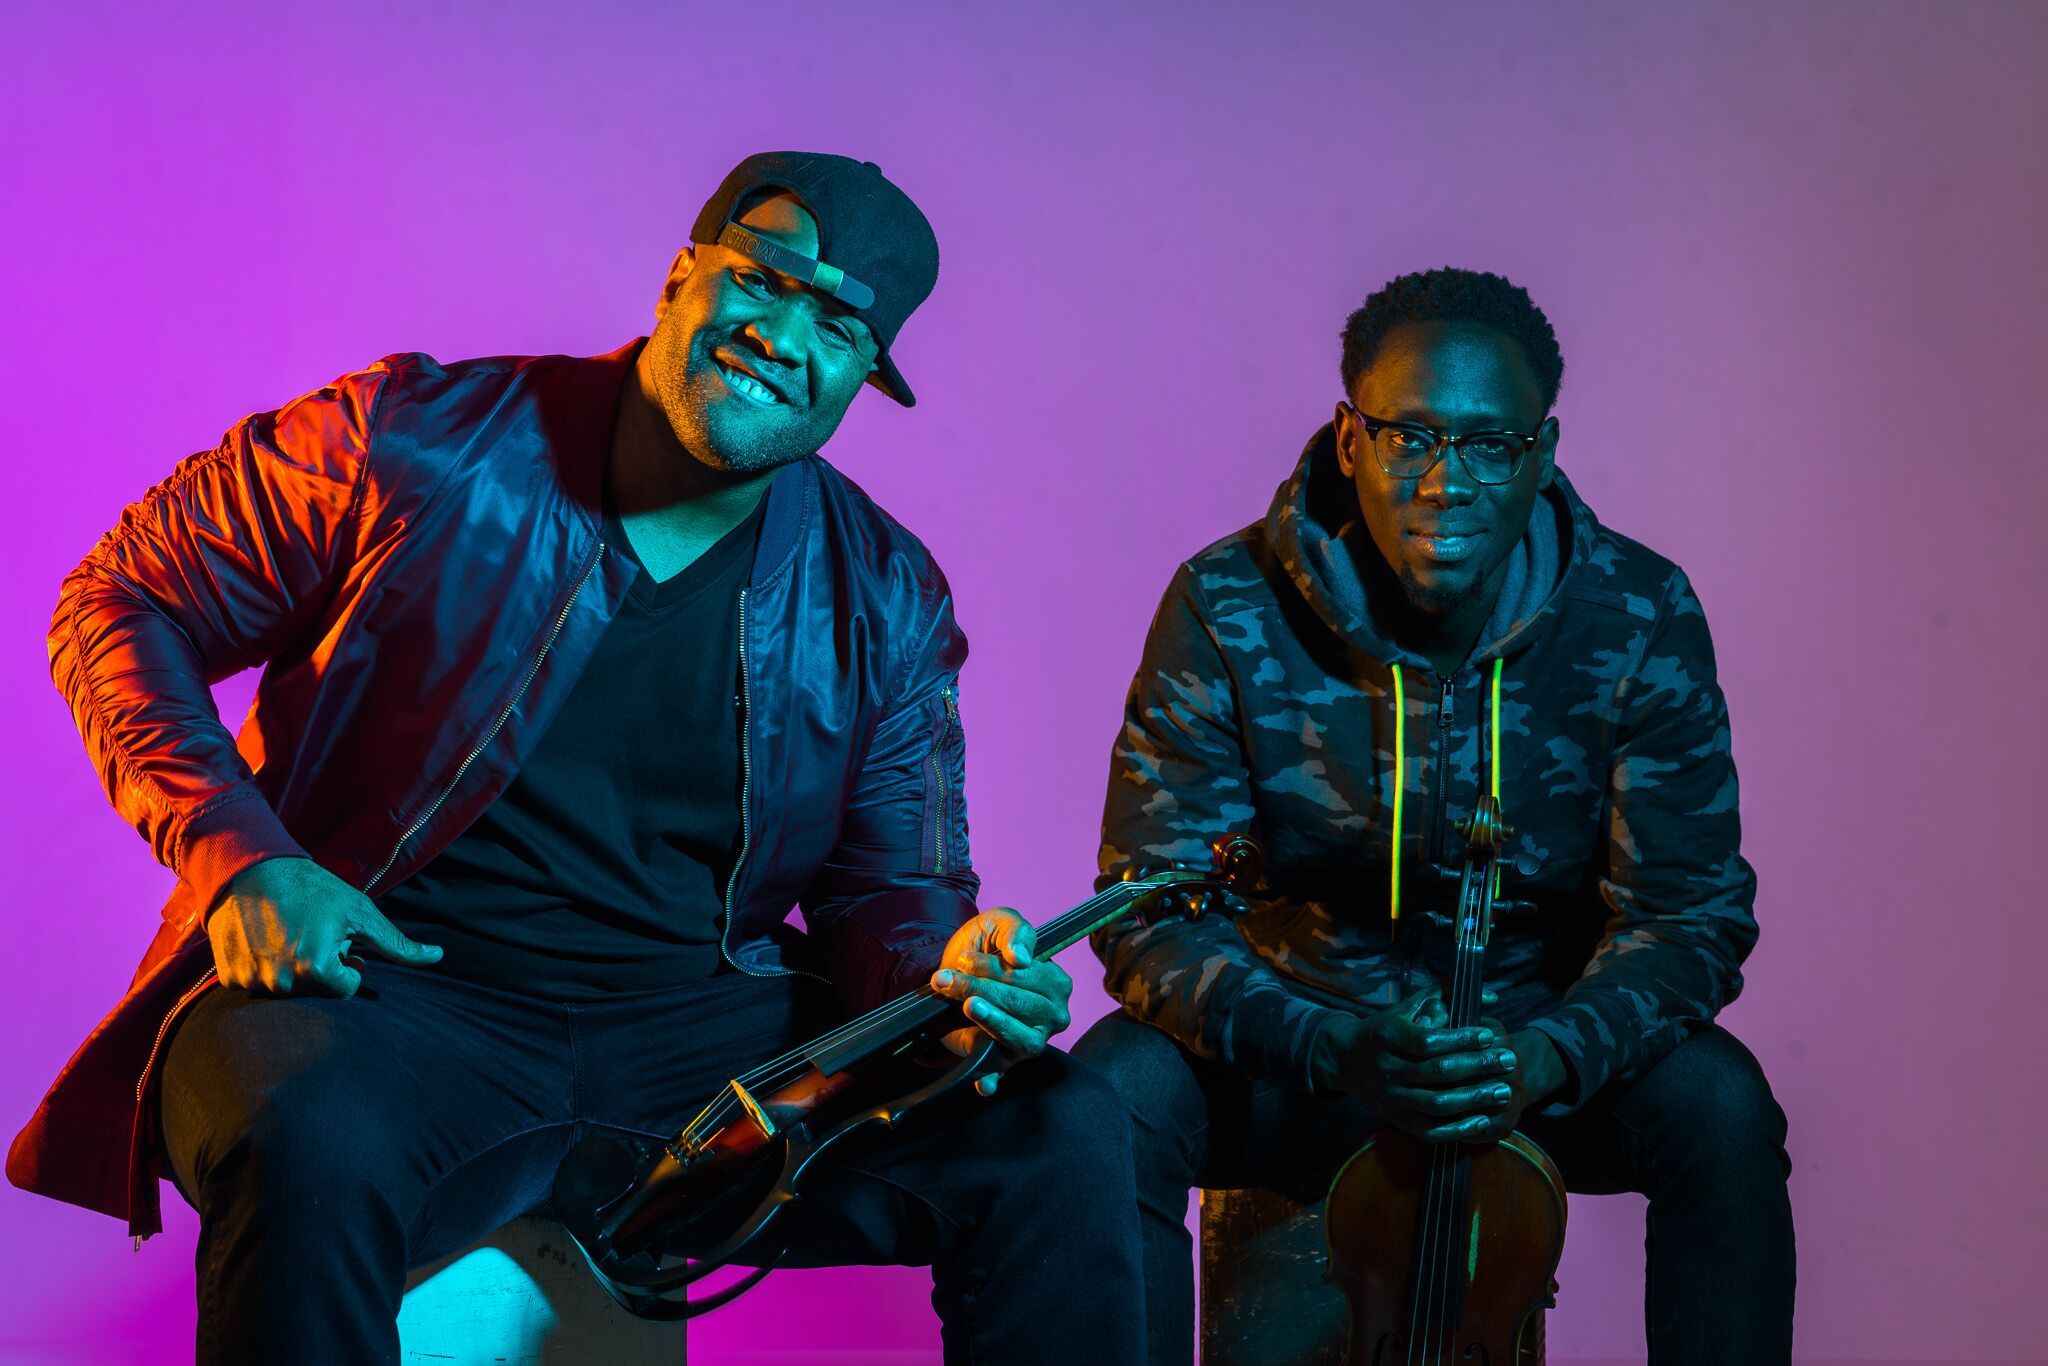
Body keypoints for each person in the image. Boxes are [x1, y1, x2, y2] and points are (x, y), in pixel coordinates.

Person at [9, 151, 1142, 1366]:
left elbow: (890, 890)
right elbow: (121, 599)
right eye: (761, 280)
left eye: (836, 326)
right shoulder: (414, 437)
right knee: (305, 1139)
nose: (779, 338)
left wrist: (952, 974)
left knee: (1061, 1128)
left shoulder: (883, 591)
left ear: (863, 375)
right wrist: (243, 859)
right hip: (383, 997)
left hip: (697, 1046)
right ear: (680, 277)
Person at [1074, 268, 1795, 1364]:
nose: (1447, 482)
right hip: (1301, 1054)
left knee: (1722, 1108)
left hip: (1529, 1065)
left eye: (1489, 445)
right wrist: (1329, 1045)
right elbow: (1148, 911)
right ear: (1349, 439)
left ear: (1541, 452)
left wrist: (1544, 1056)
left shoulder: (1638, 612)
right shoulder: (1226, 604)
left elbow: (1688, 915)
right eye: (1408, 436)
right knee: (1106, 1097)